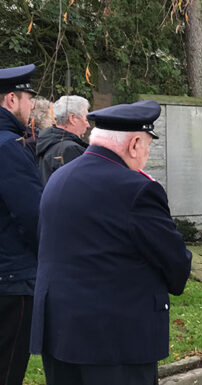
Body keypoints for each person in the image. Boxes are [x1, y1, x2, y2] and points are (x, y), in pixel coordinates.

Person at [30, 100, 192, 384]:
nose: (146, 155)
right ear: (133, 145)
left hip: (60, 334)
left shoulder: (59, 178)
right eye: (147, 147)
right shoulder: (137, 190)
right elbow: (176, 263)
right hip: (116, 342)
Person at [0, 64, 41, 385]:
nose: (32, 106)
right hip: (13, 278)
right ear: (11, 99)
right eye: (29, 98)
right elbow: (32, 216)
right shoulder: (10, 147)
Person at [36, 95, 91, 184]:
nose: (88, 125)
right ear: (72, 118)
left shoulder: (46, 141)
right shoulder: (70, 149)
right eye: (86, 120)